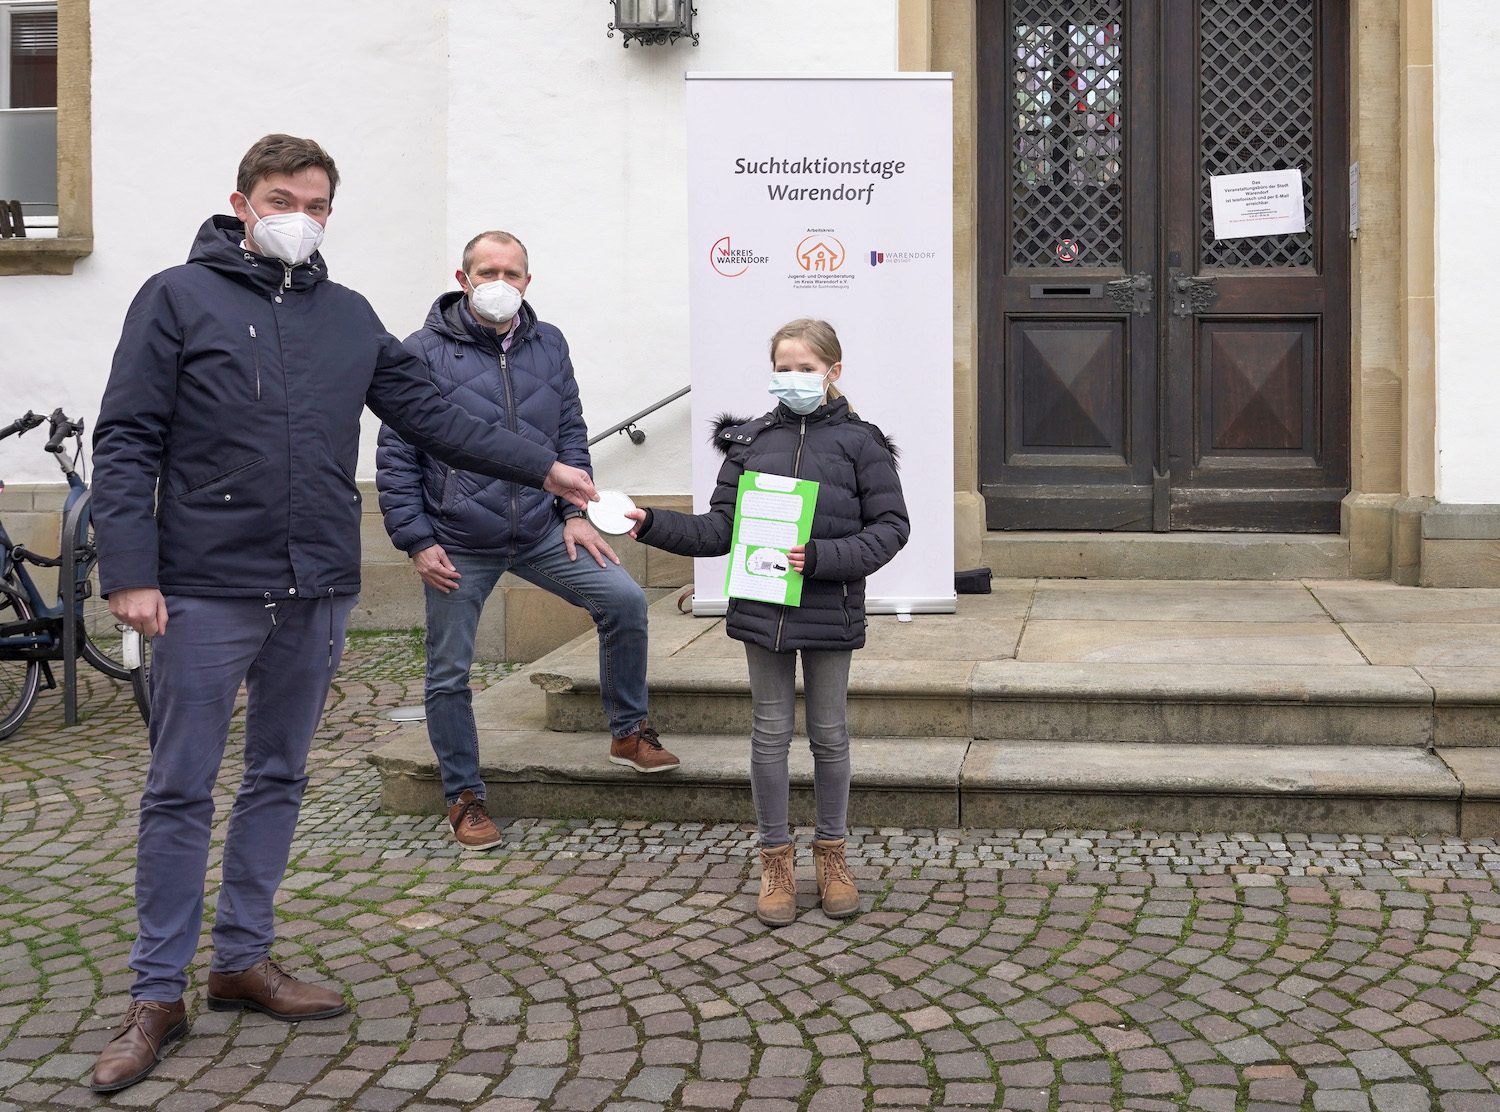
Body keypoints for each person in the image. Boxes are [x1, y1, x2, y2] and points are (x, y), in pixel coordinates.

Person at [87, 135, 598, 1094]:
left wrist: (545, 465)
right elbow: (127, 438)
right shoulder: (174, 297)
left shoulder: (350, 317)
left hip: (315, 585)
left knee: (279, 775)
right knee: (179, 789)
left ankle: (242, 958)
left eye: (318, 205)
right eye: (283, 198)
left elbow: (437, 414)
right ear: (241, 202)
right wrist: (131, 571)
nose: (301, 217)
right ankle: (156, 991)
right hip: (201, 585)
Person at [376, 230, 679, 852]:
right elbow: (396, 453)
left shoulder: (549, 343)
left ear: (527, 281)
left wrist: (574, 513)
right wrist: (416, 540)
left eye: (512, 273)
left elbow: (570, 426)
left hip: (543, 529)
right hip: (458, 539)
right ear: (462, 278)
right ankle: (464, 795)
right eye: (487, 271)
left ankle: (628, 731)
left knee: (623, 601)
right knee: (448, 671)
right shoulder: (421, 352)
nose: (500, 282)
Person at [624, 319, 908, 927]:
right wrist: (646, 521)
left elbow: (891, 528)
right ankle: (775, 860)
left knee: (830, 736)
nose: (795, 378)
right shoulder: (750, 442)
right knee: (769, 735)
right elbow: (716, 530)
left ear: (834, 371)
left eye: (807, 368)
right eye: (785, 366)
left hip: (829, 606)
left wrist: (824, 558)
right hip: (762, 611)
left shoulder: (862, 443)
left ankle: (832, 855)